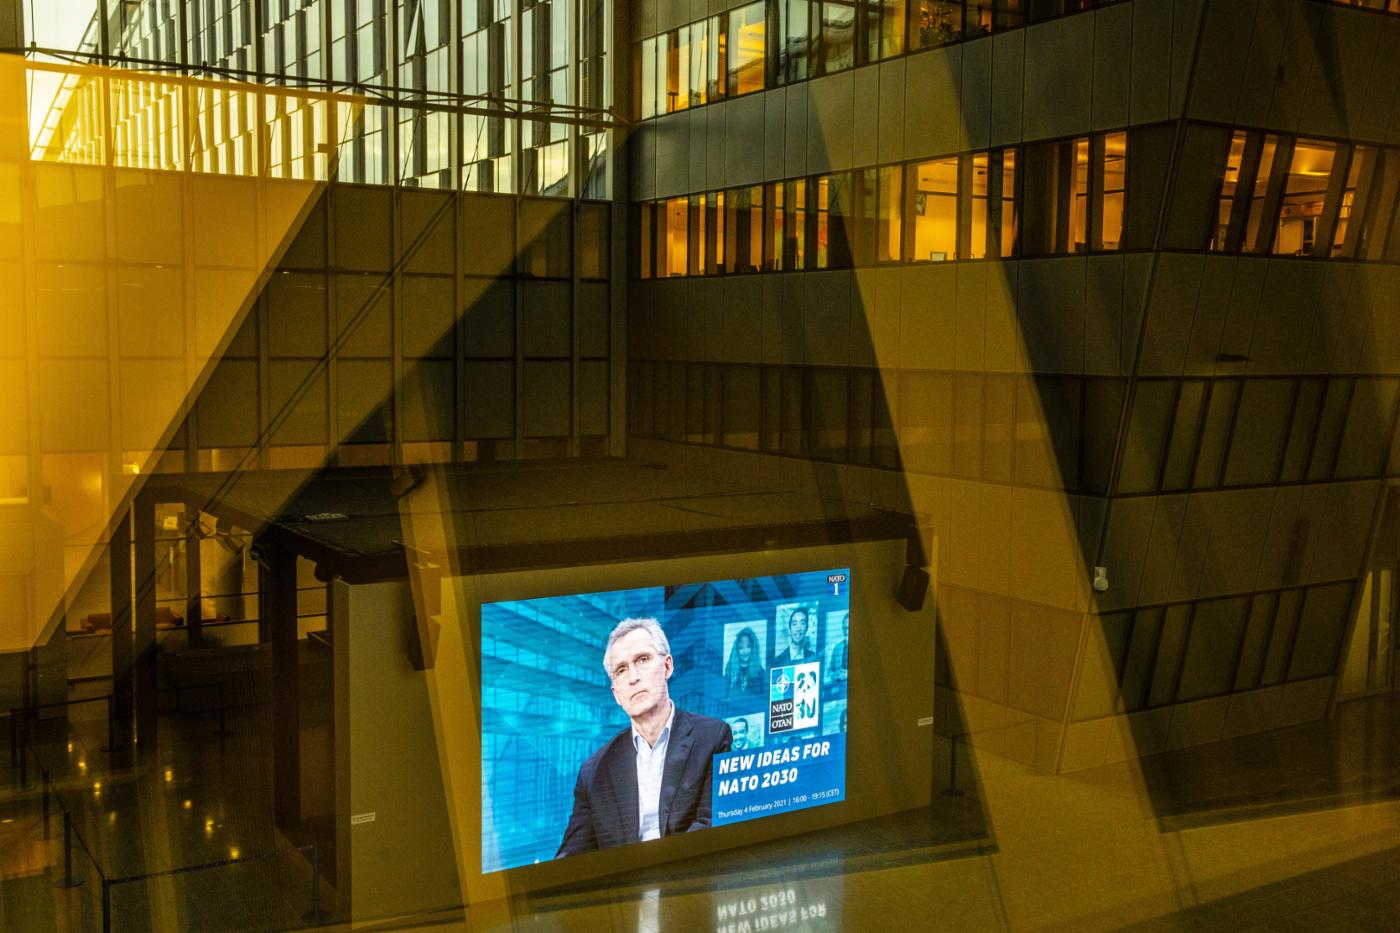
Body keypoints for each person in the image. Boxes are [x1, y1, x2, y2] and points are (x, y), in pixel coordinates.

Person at [556, 617, 733, 857]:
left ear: (668, 666)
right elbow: (571, 859)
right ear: (616, 694)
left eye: (642, 659)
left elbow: (711, 828)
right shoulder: (593, 773)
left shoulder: (713, 738)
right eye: (621, 670)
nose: (633, 677)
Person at [723, 626, 766, 702]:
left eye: (748, 646)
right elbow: (723, 696)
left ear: (753, 648)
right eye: (740, 647)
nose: (745, 651)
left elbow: (764, 696)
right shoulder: (730, 669)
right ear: (736, 649)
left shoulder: (759, 670)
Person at [825, 613, 849, 685]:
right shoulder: (837, 647)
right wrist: (834, 675)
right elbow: (828, 672)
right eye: (845, 628)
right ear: (842, 628)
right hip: (838, 689)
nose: (847, 631)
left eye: (849, 628)